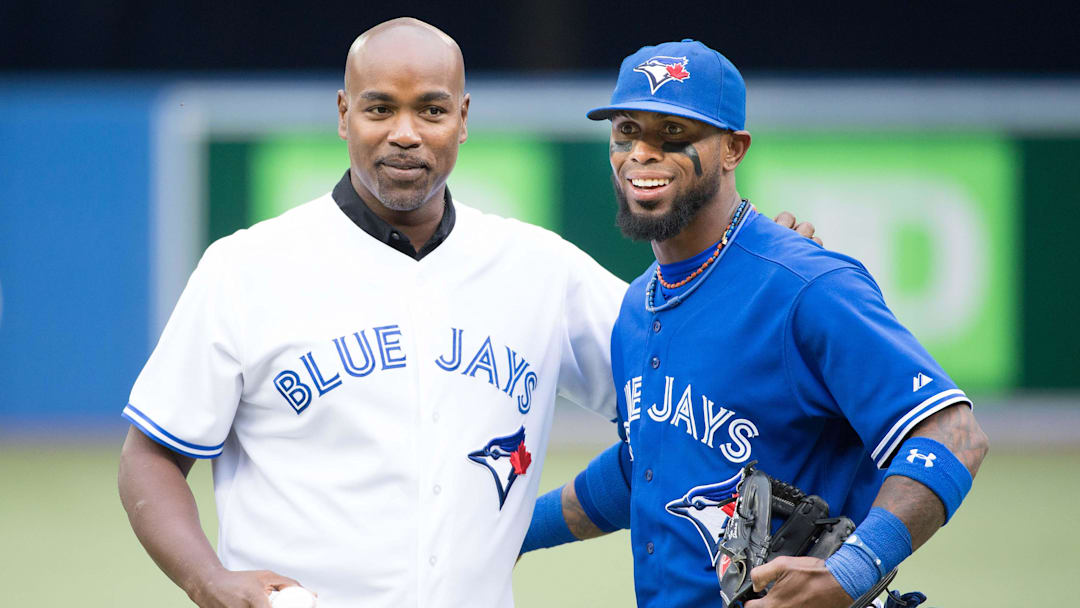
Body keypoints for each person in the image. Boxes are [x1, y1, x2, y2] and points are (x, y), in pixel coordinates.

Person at [117, 19, 818, 608]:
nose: (404, 133)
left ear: (462, 118)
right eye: (378, 107)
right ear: (342, 115)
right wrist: (206, 580)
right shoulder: (247, 268)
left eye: (429, 108)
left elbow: (685, 384)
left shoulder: (539, 269)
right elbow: (150, 456)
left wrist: (760, 289)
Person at [520, 40, 989, 608]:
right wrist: (507, 533)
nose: (642, 152)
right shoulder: (638, 307)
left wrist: (854, 569)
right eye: (627, 131)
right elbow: (647, 464)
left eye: (674, 133)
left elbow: (955, 436)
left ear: (732, 149)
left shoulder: (805, 286)